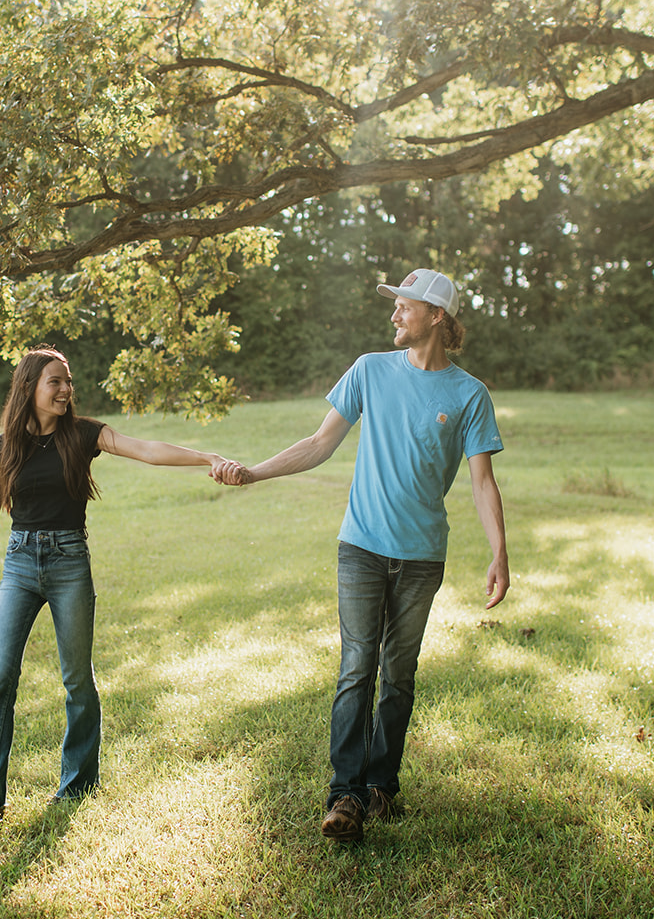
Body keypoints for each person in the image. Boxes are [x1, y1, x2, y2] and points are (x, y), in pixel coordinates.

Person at [213, 269, 508, 843]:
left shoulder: (469, 395)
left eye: (405, 306)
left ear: (436, 317)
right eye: (395, 306)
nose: (395, 315)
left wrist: (499, 551)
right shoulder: (370, 370)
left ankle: (382, 785)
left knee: (398, 677)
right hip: (362, 547)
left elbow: (482, 483)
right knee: (357, 668)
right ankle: (344, 794)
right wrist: (255, 472)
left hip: (423, 557)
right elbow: (320, 443)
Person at [0, 346, 236, 827]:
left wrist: (206, 456)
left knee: (77, 677)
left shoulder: (83, 435)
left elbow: (145, 449)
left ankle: (76, 784)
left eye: (68, 382)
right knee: (0, 679)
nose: (65, 390)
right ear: (29, 388)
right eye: (54, 382)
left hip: (68, 563)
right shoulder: (6, 446)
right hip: (19, 565)